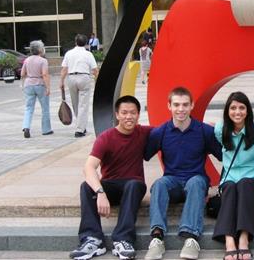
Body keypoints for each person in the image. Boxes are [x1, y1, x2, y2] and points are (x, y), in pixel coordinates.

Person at [144, 87, 222, 260]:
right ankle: (157, 238)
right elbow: (144, 154)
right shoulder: (161, 132)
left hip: (196, 179)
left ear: (192, 105)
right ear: (169, 106)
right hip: (172, 181)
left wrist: (221, 129)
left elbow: (224, 155)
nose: (181, 109)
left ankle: (191, 238)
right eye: (176, 105)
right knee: (159, 184)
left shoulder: (204, 131)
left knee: (196, 182)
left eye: (185, 105)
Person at [69, 95, 151, 260]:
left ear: (138, 114)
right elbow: (88, 167)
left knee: (134, 184)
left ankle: (123, 240)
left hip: (133, 186)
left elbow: (170, 128)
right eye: (124, 113)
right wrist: (100, 192)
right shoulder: (106, 138)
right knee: (86, 186)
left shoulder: (144, 132)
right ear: (117, 114)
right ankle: (92, 240)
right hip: (110, 185)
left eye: (133, 113)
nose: (128, 116)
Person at [213, 92, 254, 260]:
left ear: (248, 110)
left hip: (252, 176)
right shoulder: (220, 129)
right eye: (233, 108)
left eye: (242, 108)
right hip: (229, 177)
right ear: (227, 111)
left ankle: (244, 239)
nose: (237, 112)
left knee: (244, 184)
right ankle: (229, 240)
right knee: (230, 187)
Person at [60, 34, 98, 137]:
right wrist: (97, 80)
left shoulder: (69, 53)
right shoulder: (88, 54)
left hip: (71, 77)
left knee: (75, 103)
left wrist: (61, 81)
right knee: (83, 105)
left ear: (75, 42)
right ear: (86, 43)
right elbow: (95, 70)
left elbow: (64, 69)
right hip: (84, 77)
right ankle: (80, 129)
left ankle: (80, 126)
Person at [20, 40, 52, 138]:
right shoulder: (43, 61)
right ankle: (46, 129)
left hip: (28, 84)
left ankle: (26, 127)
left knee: (29, 107)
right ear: (40, 49)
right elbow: (45, 74)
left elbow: (22, 74)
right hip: (40, 84)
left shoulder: (27, 60)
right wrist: (48, 87)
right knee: (45, 108)